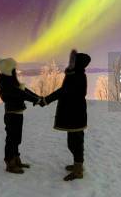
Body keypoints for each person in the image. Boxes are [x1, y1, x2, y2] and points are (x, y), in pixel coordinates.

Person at [40, 49, 90, 181]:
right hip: (71, 114)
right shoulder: (74, 74)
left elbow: (64, 91)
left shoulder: (78, 75)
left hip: (76, 114)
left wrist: (46, 100)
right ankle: (77, 164)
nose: (71, 63)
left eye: (73, 61)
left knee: (76, 142)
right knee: (71, 142)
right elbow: (65, 91)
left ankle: (78, 170)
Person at [0, 57, 41, 174]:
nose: (14, 70)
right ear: (8, 69)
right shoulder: (5, 83)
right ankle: (10, 163)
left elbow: (24, 90)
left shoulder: (12, 81)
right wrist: (36, 100)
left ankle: (16, 159)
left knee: (16, 138)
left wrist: (38, 98)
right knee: (11, 139)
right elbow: (21, 94)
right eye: (13, 68)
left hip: (18, 113)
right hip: (11, 114)